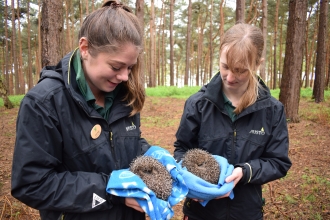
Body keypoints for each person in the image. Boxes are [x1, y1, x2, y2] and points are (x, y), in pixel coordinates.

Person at [11, 1, 150, 219]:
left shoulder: (124, 94)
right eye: (116, 67)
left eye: (130, 67)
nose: (125, 76)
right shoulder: (44, 103)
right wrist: (110, 190)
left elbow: (120, 144)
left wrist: (150, 154)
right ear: (85, 48)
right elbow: (32, 184)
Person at [173, 23, 292, 220]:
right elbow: (182, 149)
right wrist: (190, 181)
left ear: (257, 64)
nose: (229, 77)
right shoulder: (198, 104)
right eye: (225, 67)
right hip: (201, 213)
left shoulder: (272, 110)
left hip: (246, 212)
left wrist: (245, 171)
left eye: (240, 70)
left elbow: (278, 162)